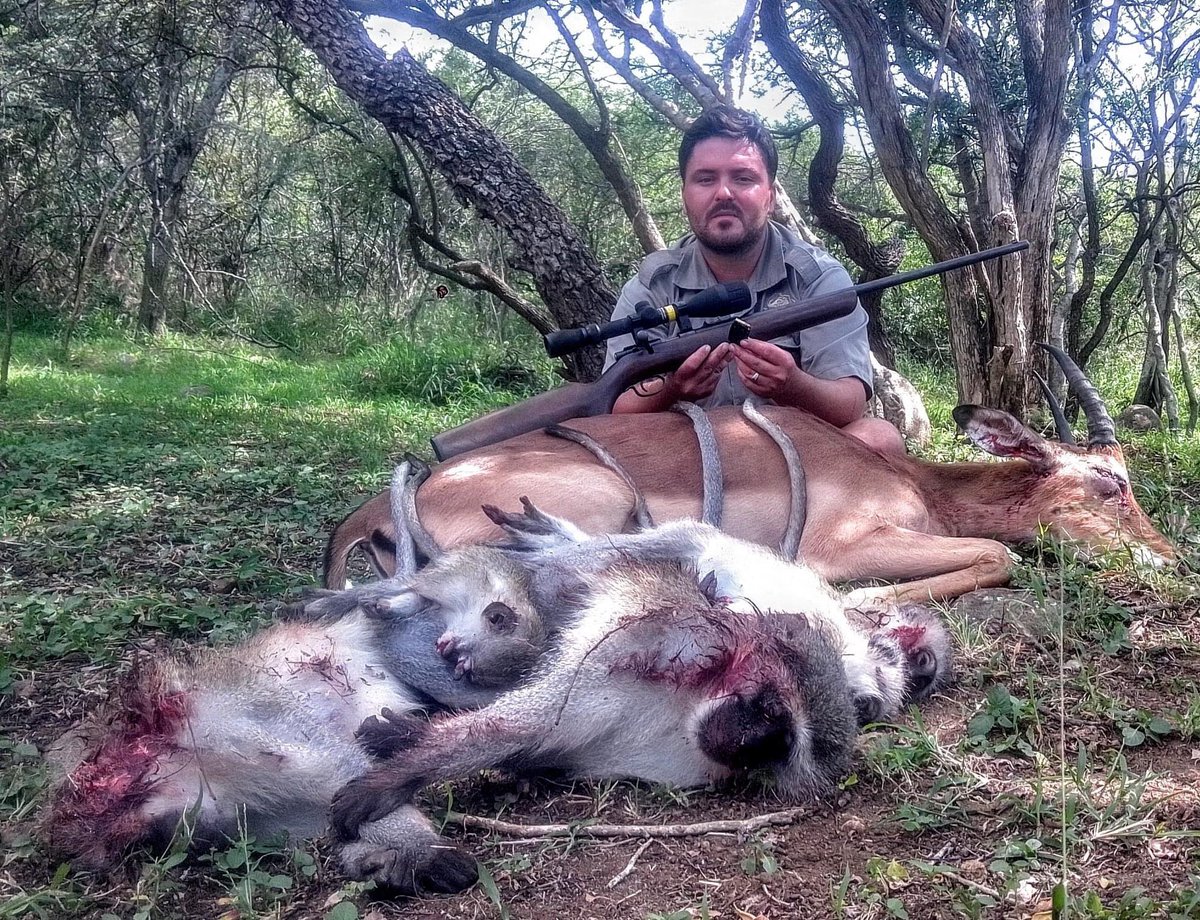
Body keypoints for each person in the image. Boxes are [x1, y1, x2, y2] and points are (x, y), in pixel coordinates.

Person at [603, 106, 904, 455]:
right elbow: (614, 408)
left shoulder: (818, 277)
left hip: (791, 459)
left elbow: (850, 402)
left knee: (880, 439)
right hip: (682, 462)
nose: (724, 194)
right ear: (684, 192)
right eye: (705, 179)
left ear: (771, 195)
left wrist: (793, 384)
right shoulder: (650, 286)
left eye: (743, 178)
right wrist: (673, 389)